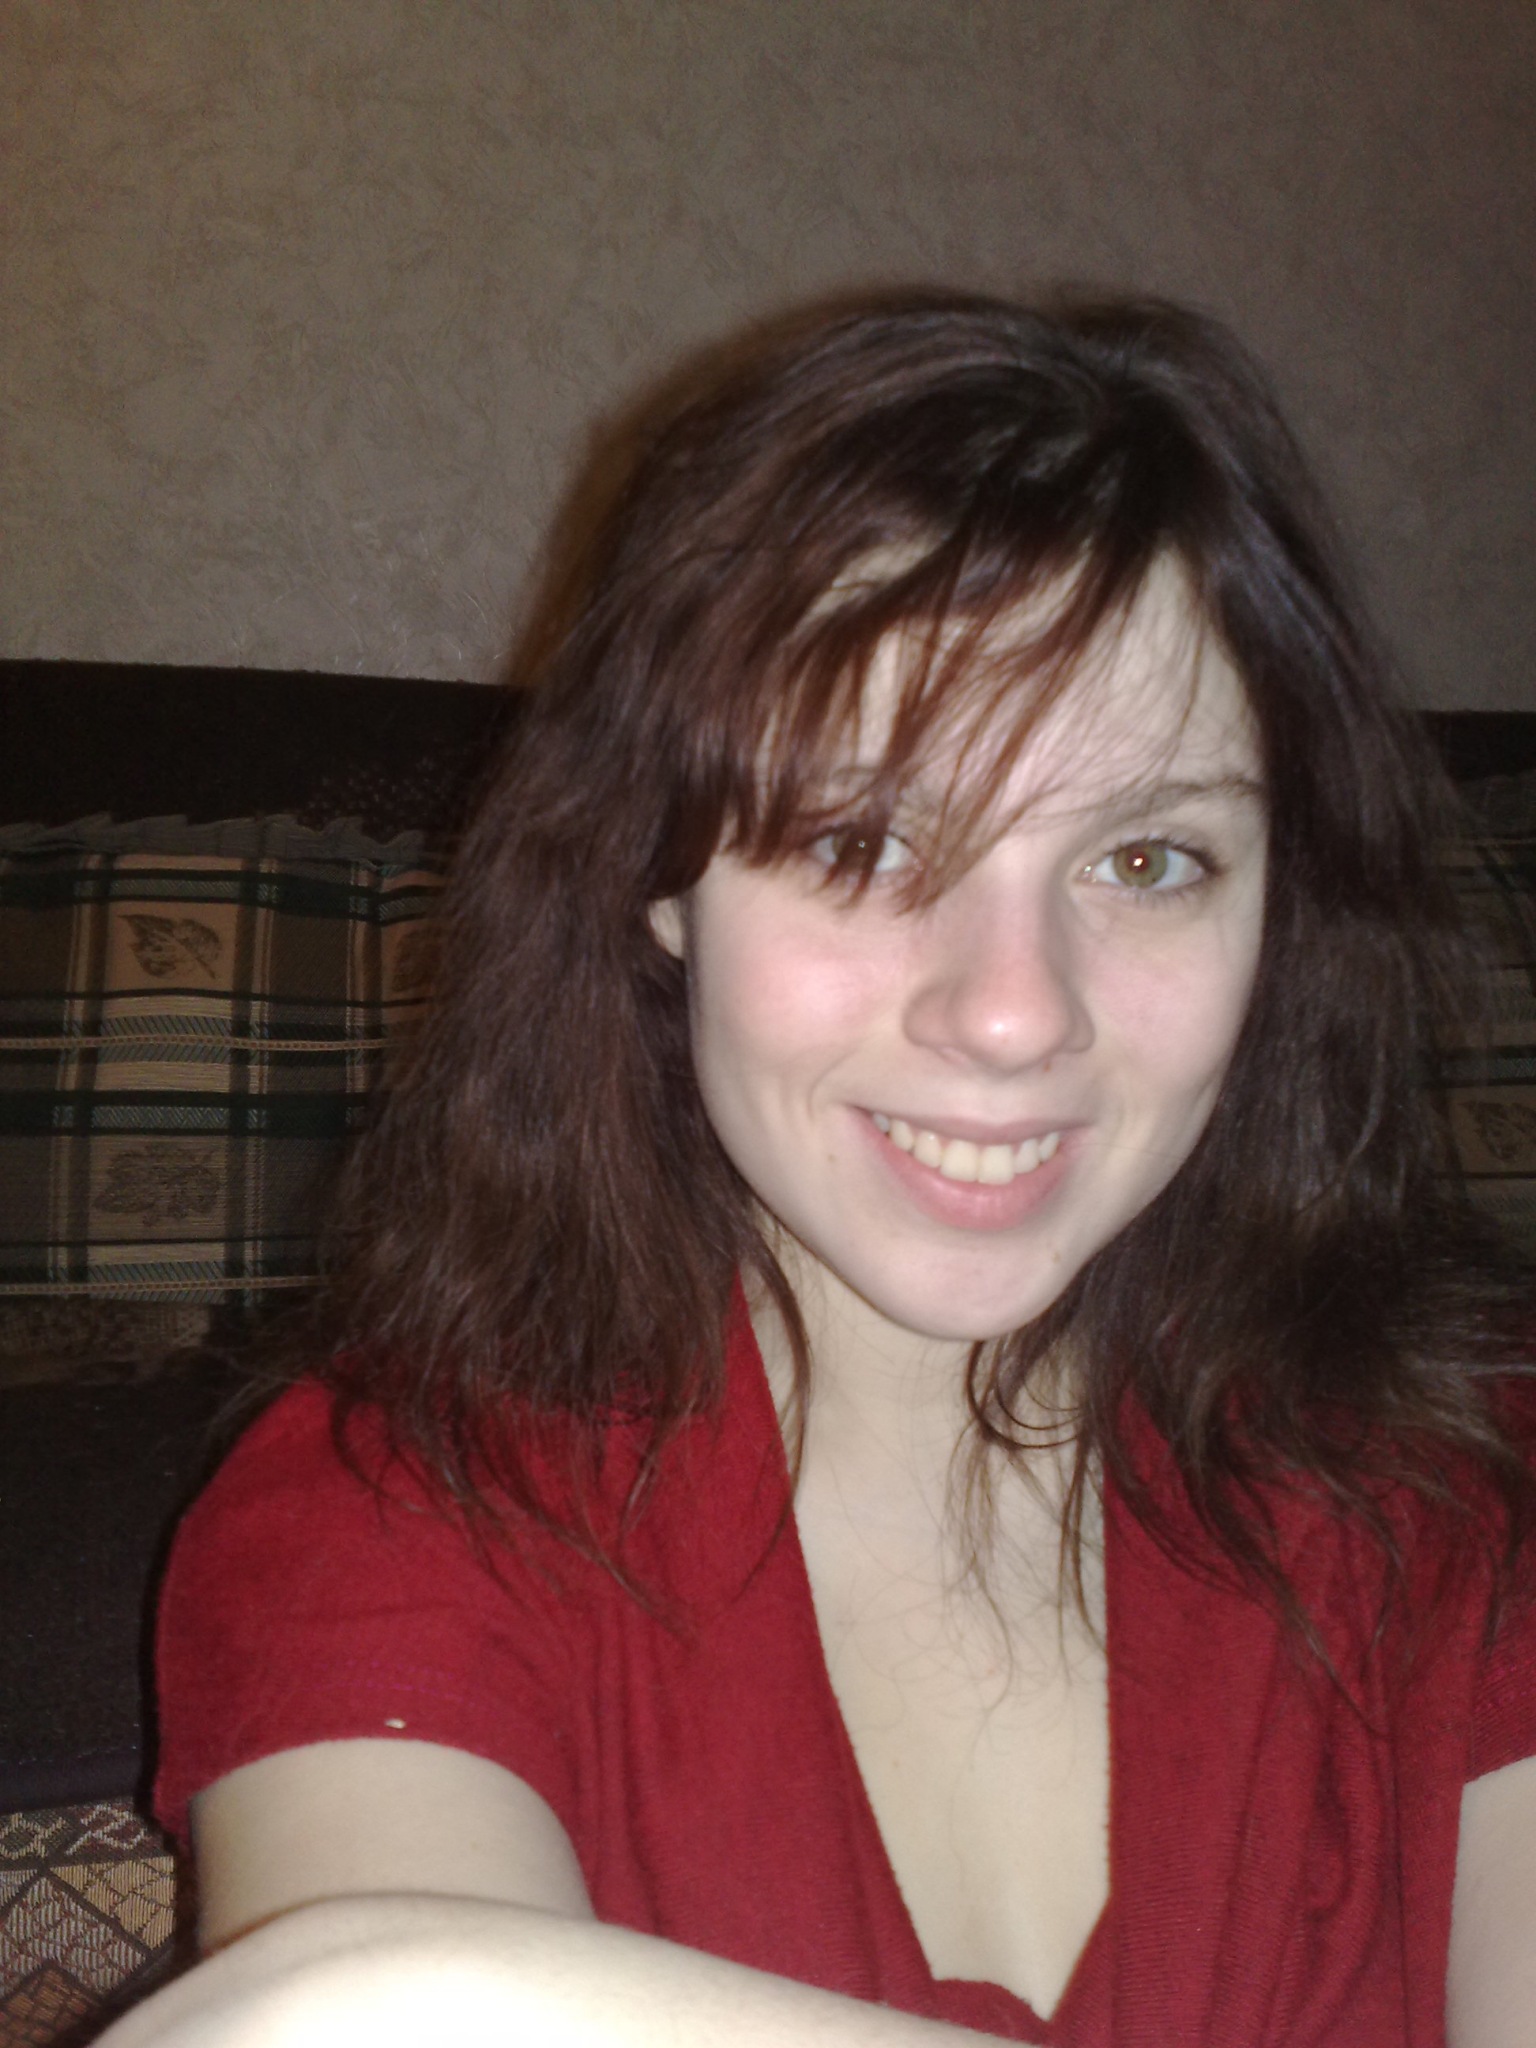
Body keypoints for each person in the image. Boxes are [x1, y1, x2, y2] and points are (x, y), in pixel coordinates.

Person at [103, 292, 1536, 2048]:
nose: (1013, 1013)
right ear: (658, 875)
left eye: (1149, 859)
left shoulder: (1468, 1476)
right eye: (861, 842)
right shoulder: (393, 1511)